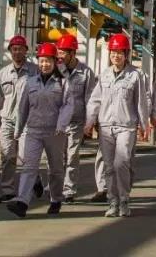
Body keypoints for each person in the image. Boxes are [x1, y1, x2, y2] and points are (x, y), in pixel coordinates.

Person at [85, 32, 150, 217]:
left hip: (126, 126)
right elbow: (95, 100)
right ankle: (113, 202)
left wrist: (144, 125)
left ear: (126, 54)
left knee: (121, 163)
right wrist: (89, 122)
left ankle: (124, 200)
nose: (116, 56)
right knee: (108, 166)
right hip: (106, 126)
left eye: (119, 52)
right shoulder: (104, 75)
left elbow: (141, 102)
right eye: (113, 52)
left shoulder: (135, 76)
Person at [7, 42, 73, 218]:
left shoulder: (63, 83)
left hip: (55, 133)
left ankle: (56, 199)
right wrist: (18, 129)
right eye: (42, 61)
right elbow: (23, 108)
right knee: (29, 167)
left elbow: (68, 106)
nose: (45, 64)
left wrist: (61, 125)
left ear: (55, 62)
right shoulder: (30, 82)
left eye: (48, 61)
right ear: (38, 62)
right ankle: (22, 202)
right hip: (34, 131)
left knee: (56, 169)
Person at [0, 34, 39, 204]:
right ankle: (8, 190)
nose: (17, 52)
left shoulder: (35, 71)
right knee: (7, 156)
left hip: (27, 121)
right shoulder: (3, 73)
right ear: (10, 51)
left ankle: (35, 180)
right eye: (14, 49)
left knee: (26, 157)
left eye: (20, 49)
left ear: (26, 51)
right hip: (7, 120)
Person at [57, 33, 99, 204]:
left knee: (72, 155)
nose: (60, 56)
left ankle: (69, 190)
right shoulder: (56, 70)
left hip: (76, 121)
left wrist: (90, 121)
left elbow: (90, 98)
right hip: (58, 122)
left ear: (72, 53)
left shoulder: (86, 72)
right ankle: (56, 185)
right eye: (59, 52)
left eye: (63, 52)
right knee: (57, 156)